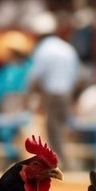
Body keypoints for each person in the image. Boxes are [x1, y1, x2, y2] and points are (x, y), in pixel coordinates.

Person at [25, 12, 80, 160]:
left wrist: (28, 97)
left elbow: (35, 77)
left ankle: (60, 161)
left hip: (52, 94)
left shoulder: (42, 49)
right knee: (65, 129)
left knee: (53, 128)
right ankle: (70, 160)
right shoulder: (67, 48)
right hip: (67, 94)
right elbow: (76, 76)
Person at [0, 32, 33, 114]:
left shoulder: (8, 72)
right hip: (25, 118)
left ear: (11, 52)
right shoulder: (31, 69)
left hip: (4, 119)